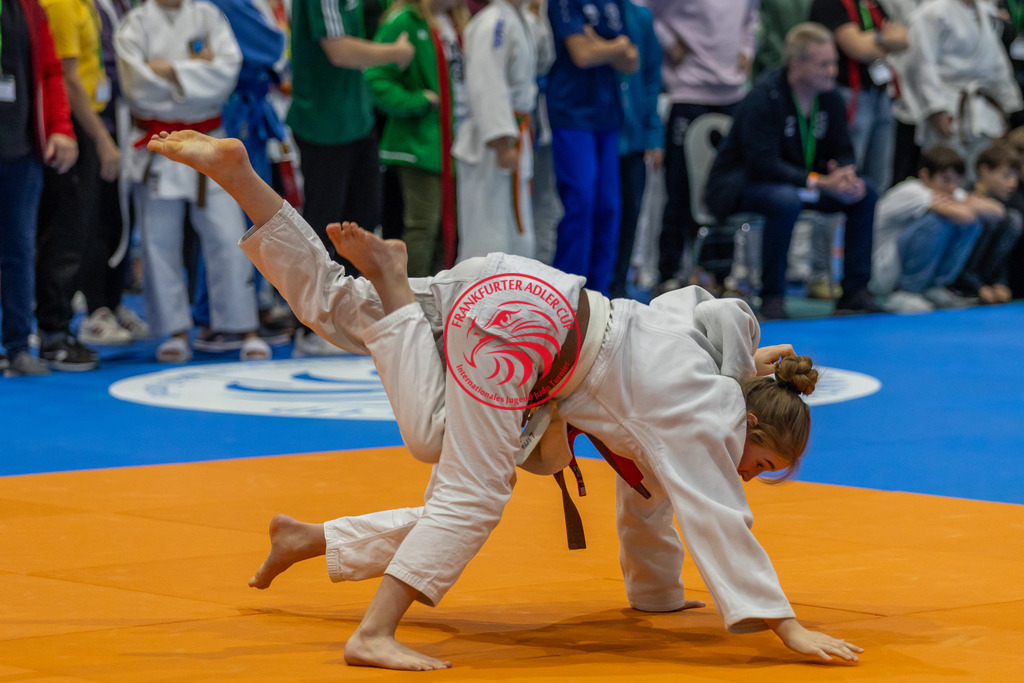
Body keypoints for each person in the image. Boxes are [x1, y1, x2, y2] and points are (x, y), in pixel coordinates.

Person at [147, 128, 864, 672]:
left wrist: (657, 595)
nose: (750, 477)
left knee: (340, 309)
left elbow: (652, 497)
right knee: (464, 480)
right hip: (530, 336)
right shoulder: (706, 412)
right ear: (747, 419)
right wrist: (786, 625)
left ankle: (243, 180)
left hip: (519, 292)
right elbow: (719, 515)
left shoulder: (699, 352)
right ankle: (372, 632)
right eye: (761, 460)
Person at [115, 0, 269, 363]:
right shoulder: (135, 24)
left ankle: (242, 327)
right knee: (158, 241)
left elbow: (225, 75)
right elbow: (137, 87)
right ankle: (175, 331)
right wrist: (193, 71)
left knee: (230, 236)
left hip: (208, 140)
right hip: (157, 143)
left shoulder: (209, 16)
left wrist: (167, 71)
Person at [705, 22, 881, 320]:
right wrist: (819, 181)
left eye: (834, 63)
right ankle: (772, 295)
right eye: (823, 64)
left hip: (801, 185)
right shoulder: (764, 96)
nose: (832, 71)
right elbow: (762, 163)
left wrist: (845, 174)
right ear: (797, 64)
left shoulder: (829, 98)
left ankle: (854, 291)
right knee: (785, 200)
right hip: (743, 186)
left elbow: (843, 148)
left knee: (865, 192)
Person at [286, 0, 414, 355]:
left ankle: (353, 318)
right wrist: (397, 52)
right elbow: (339, 51)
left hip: (356, 119)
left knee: (363, 223)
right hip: (326, 124)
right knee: (323, 229)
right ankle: (313, 327)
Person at [637, 0, 757, 295]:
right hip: (688, 92)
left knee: (725, 192)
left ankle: (721, 276)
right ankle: (669, 274)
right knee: (679, 191)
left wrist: (747, 49)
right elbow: (640, 8)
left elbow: (751, 16)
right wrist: (668, 40)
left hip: (733, 94)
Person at [37, 0, 120, 370]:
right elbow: (68, 77)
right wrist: (101, 138)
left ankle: (58, 329)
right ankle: (53, 331)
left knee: (79, 229)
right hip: (73, 123)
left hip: (87, 117)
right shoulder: (59, 5)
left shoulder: (82, 4)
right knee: (64, 233)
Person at [1, 0, 78, 376]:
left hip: (21, 148)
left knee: (19, 249)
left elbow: (50, 71)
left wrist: (61, 127)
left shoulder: (30, 6)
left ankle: (17, 344)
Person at [366, 0, 468, 277]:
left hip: (454, 142)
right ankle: (411, 303)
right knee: (424, 226)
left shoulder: (455, 21)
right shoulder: (404, 21)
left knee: (449, 229)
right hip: (419, 144)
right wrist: (417, 101)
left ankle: (438, 304)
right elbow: (375, 78)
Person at [546, 0, 639, 295]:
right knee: (582, 202)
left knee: (609, 207)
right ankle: (566, 295)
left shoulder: (614, 3)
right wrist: (616, 46)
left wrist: (604, 46)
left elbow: (633, 60)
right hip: (572, 114)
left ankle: (600, 296)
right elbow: (582, 55)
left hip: (606, 117)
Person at [453, 0, 540, 262]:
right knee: (487, 233)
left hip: (515, 131)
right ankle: (479, 297)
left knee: (512, 231)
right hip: (491, 144)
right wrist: (501, 141)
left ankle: (511, 296)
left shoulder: (516, 17)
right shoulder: (495, 22)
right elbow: (486, 81)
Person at [899, 0, 1022, 178]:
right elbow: (921, 64)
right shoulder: (932, 12)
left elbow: (997, 63)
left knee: (982, 176)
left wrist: (1010, 106)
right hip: (949, 107)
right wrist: (936, 108)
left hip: (983, 109)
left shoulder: (985, 11)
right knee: (947, 175)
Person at [869, 145, 994, 312]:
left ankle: (933, 287)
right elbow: (966, 215)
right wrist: (966, 204)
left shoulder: (948, 192)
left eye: (956, 181)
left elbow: (996, 211)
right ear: (925, 175)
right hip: (882, 272)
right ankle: (905, 291)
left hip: (900, 266)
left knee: (971, 225)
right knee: (937, 222)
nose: (952, 187)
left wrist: (963, 204)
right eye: (946, 179)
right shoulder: (910, 191)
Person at [809, 0, 907, 194]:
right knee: (851, 168)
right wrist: (885, 39)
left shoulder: (870, 3)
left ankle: (872, 216)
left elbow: (903, 40)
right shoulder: (828, 4)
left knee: (880, 172)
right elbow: (858, 49)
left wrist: (872, 40)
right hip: (847, 94)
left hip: (878, 92)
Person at [609, 0, 662, 299]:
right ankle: (593, 285)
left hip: (635, 138)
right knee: (603, 214)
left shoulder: (640, 17)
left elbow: (652, 77)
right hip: (599, 136)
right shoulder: (593, 12)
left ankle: (618, 287)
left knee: (631, 214)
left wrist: (653, 133)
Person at [952, 142, 1023, 303]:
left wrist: (1000, 283)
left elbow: (1001, 256)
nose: (1012, 183)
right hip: (959, 276)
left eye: (1014, 176)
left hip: (985, 282)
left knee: (1013, 219)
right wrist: (978, 287)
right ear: (984, 171)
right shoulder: (963, 196)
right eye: (1006, 176)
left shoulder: (1008, 207)